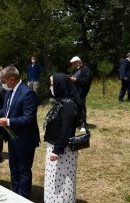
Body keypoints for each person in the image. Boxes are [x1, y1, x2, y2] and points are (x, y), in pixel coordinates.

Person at [0, 66, 40, 199]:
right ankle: (15, 194)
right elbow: (7, 109)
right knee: (13, 167)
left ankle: (23, 197)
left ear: (12, 79)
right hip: (12, 137)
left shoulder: (27, 93)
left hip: (25, 138)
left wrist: (7, 122)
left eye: (3, 81)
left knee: (23, 169)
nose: (2, 84)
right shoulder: (9, 91)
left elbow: (29, 118)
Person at [43, 73, 82, 202]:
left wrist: (57, 150)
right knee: (53, 180)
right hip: (56, 148)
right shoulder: (61, 102)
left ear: (61, 85)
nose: (51, 87)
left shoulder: (68, 105)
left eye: (53, 84)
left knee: (61, 182)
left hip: (62, 152)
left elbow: (66, 129)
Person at [69, 56, 92, 132]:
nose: (73, 65)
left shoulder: (86, 69)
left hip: (82, 92)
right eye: (72, 64)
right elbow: (71, 77)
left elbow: (87, 81)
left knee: (81, 107)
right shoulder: (74, 70)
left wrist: (76, 80)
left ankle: (83, 124)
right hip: (74, 92)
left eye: (74, 64)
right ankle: (78, 123)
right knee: (75, 108)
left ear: (79, 62)